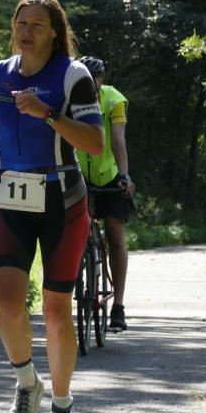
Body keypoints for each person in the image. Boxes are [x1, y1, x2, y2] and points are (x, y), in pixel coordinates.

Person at [0, 0, 104, 413]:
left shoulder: (72, 76)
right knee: (7, 302)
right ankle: (27, 383)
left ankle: (62, 411)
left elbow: (95, 142)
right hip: (8, 195)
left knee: (55, 310)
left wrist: (47, 114)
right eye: (21, 23)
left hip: (62, 200)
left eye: (37, 26)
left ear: (54, 33)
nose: (26, 32)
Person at [75, 56, 136, 332]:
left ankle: (118, 306)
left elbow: (118, 140)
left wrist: (124, 176)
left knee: (114, 232)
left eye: (93, 80)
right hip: (78, 174)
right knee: (71, 231)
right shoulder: (69, 97)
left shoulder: (114, 100)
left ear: (101, 80)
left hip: (109, 174)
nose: (89, 85)